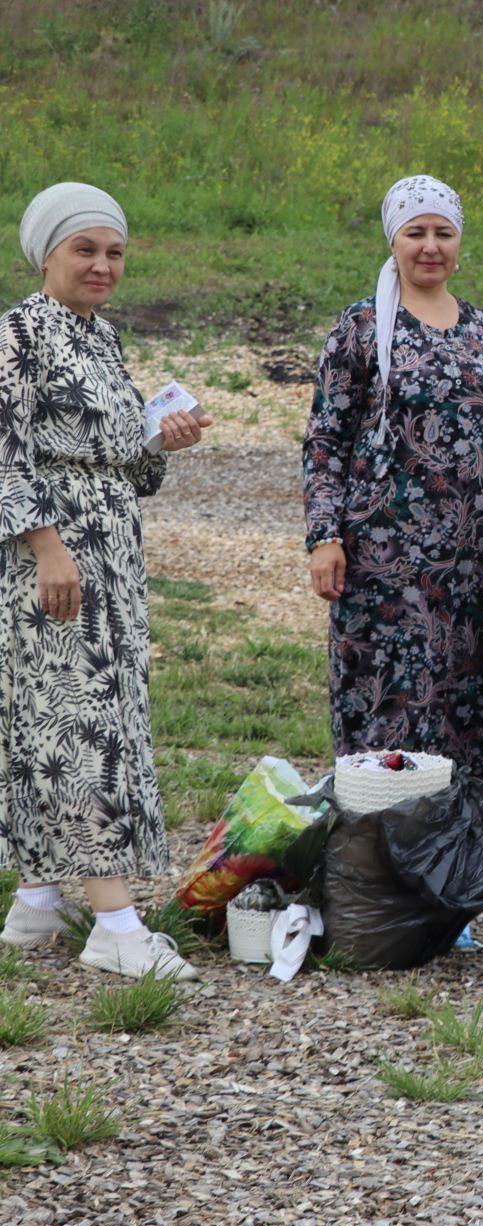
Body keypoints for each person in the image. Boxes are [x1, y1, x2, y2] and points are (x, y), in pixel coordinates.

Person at [0, 183, 212, 979]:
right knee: (78, 726)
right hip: (52, 555)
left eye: (114, 251)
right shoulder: (18, 334)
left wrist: (163, 440)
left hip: (112, 551)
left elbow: (126, 461)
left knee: (69, 720)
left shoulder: (101, 336)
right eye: (84, 250)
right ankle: (116, 924)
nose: (102, 265)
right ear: (46, 254)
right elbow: (5, 453)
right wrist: (49, 548)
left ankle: (39, 901)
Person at [304, 175, 483, 792]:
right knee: (393, 703)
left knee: (470, 701)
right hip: (386, 563)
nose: (430, 246)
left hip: (473, 563)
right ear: (394, 241)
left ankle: (459, 854)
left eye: (443, 232)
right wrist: (323, 536)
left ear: (459, 240)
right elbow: (326, 439)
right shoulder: (359, 327)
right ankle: (381, 853)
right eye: (416, 233)